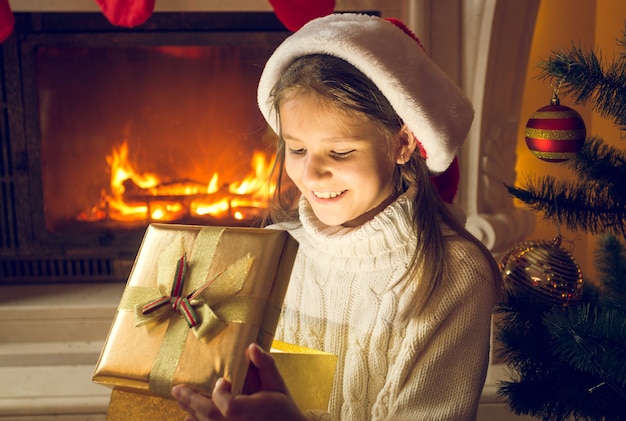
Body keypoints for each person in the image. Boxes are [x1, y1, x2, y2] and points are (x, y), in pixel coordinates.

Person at [172, 13, 502, 421]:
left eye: (340, 152)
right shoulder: (271, 251)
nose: (310, 174)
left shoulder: (453, 274)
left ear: (402, 143)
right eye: (296, 149)